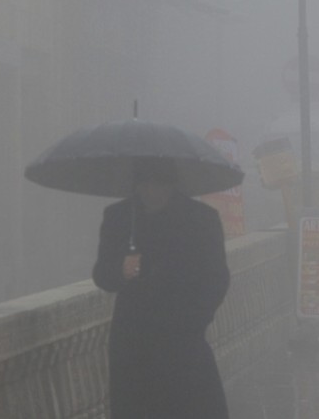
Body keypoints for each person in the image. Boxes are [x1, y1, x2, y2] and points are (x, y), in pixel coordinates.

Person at [93, 157, 230, 418]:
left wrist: (195, 320)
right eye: (144, 186)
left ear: (171, 185)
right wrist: (120, 270)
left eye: (157, 186)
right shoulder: (119, 217)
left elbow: (217, 279)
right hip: (133, 343)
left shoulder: (201, 219)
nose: (150, 193)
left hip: (183, 339)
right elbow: (101, 275)